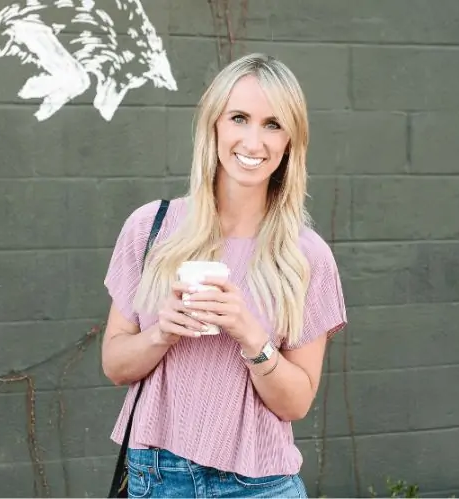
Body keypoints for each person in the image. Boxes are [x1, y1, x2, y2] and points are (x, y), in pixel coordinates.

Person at [101, 52, 347, 498]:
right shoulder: (151, 228)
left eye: (273, 124)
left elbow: (296, 403)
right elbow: (115, 366)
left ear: (290, 142)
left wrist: (251, 335)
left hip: (259, 485)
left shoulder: (306, 256)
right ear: (213, 125)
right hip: (158, 479)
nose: (254, 141)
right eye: (239, 118)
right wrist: (162, 333)